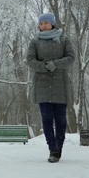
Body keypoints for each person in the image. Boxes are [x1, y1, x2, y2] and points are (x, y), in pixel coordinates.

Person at [26, 12, 75, 163]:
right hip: (42, 84)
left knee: (60, 119)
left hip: (61, 85)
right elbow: (29, 60)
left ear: (53, 23)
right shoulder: (35, 41)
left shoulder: (63, 39)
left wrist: (56, 65)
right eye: (41, 23)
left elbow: (71, 57)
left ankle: (59, 147)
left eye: (46, 23)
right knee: (47, 118)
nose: (43, 25)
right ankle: (52, 149)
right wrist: (44, 67)